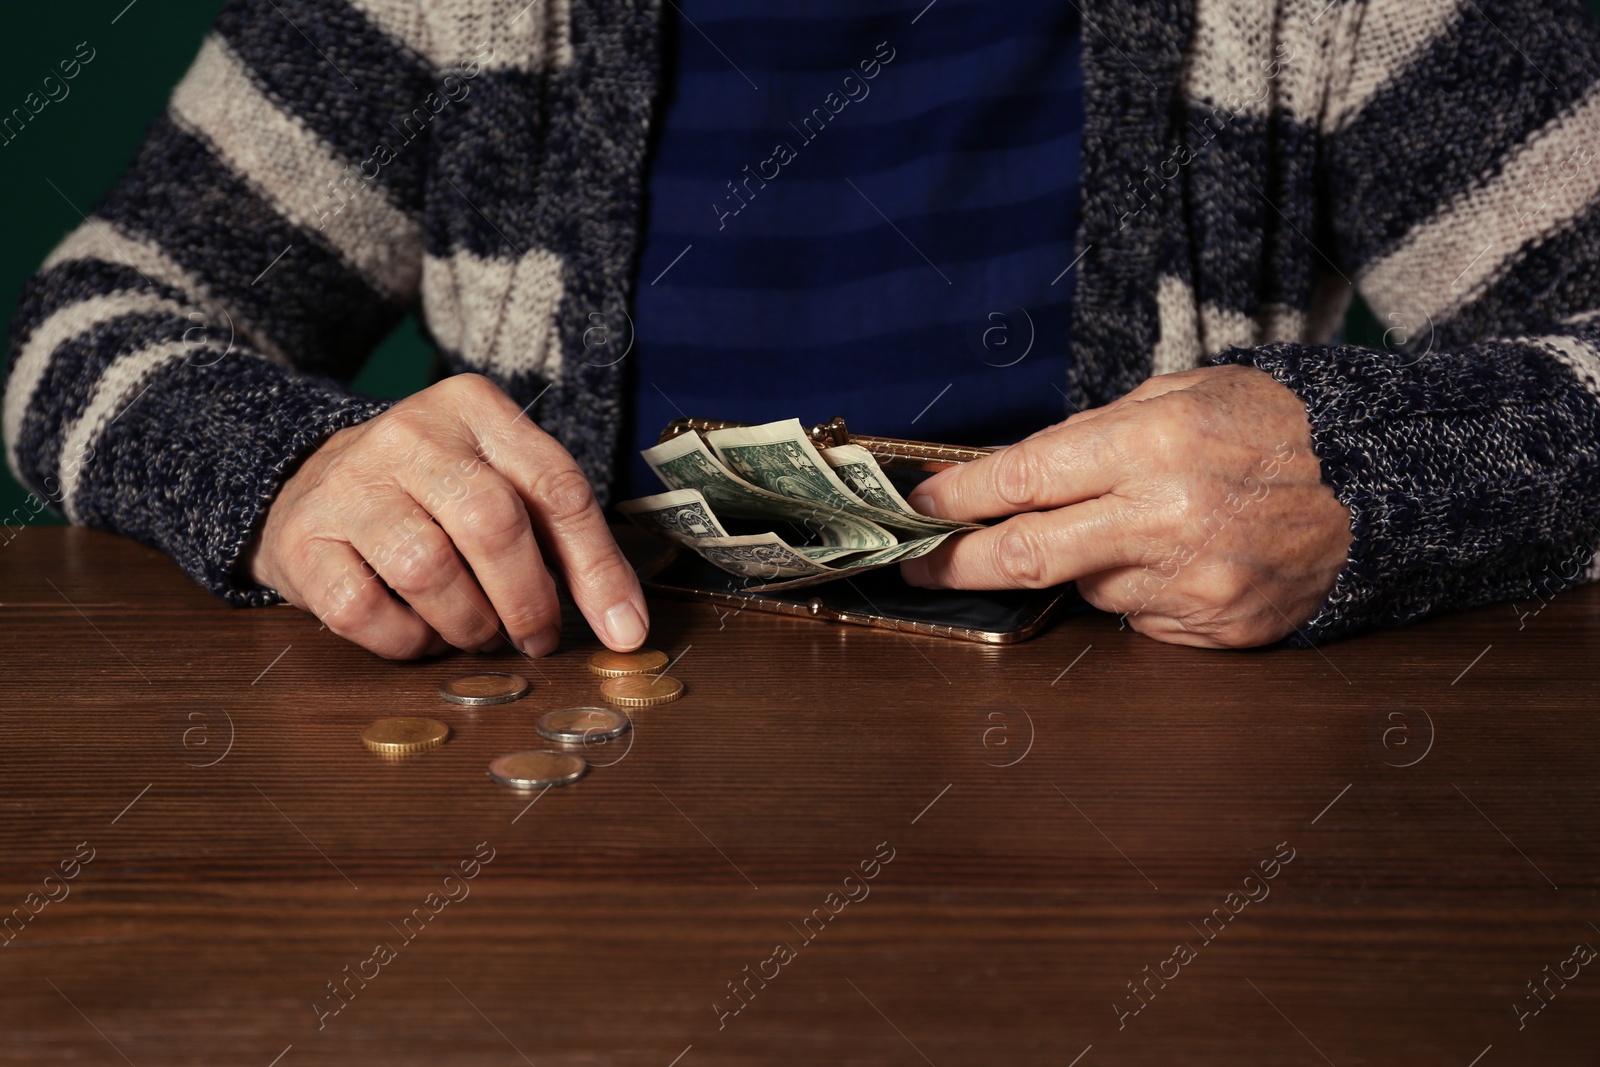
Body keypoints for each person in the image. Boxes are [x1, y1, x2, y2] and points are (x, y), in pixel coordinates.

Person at [5, 0, 1599, 660]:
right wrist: (288, 470)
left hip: (1153, 853)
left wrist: (1388, 476)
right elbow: (90, 316)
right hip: (566, 832)